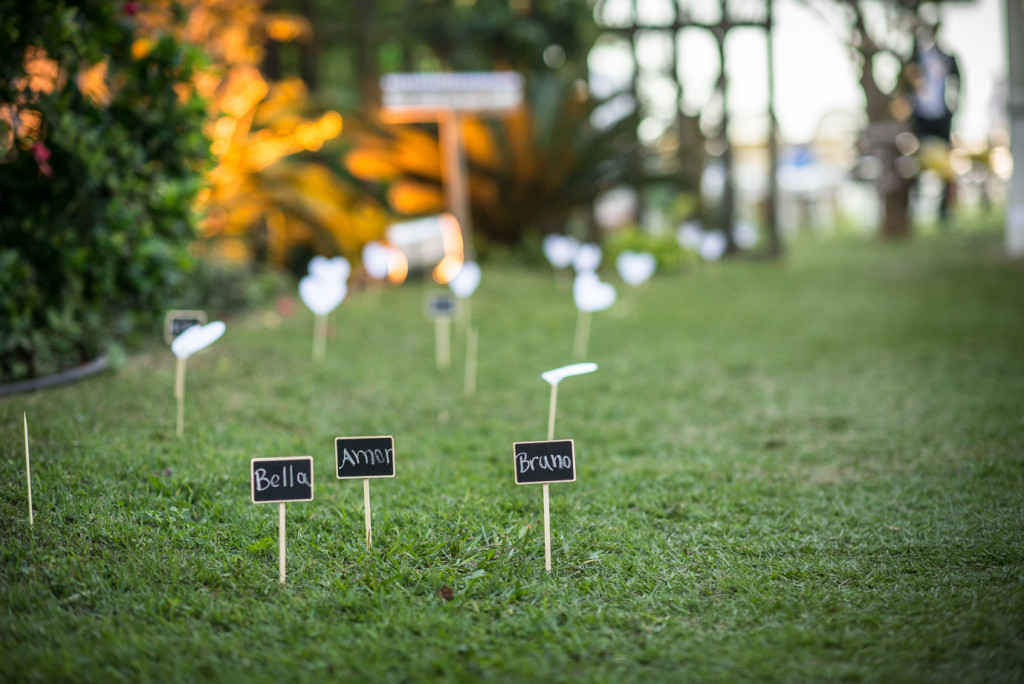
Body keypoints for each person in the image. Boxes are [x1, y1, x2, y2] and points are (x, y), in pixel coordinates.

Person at [906, 24, 961, 225]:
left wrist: (954, 108)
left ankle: (944, 212)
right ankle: (914, 209)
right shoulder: (914, 60)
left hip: (942, 118)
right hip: (920, 120)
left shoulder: (947, 59)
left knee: (947, 165)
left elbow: (956, 85)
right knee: (914, 164)